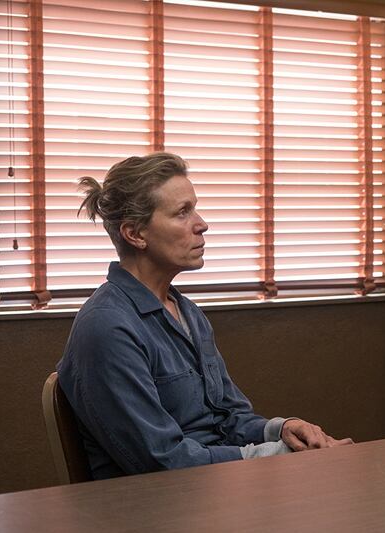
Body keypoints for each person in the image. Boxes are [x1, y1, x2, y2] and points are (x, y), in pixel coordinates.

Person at [57, 152, 351, 480]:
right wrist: (283, 457)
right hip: (157, 506)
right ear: (136, 234)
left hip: (217, 489)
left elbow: (229, 417)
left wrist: (280, 431)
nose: (202, 224)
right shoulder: (107, 327)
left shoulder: (187, 313)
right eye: (183, 212)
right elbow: (162, 462)